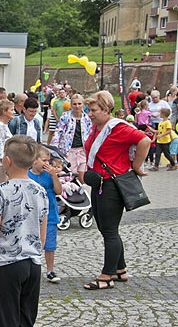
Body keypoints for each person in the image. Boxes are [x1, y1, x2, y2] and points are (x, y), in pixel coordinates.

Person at [0, 135, 48, 327]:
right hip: (32, 264)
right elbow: (42, 235)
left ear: (7, 160)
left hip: (8, 265)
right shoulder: (41, 191)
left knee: (7, 320)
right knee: (26, 320)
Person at [83, 91, 150, 290]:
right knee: (106, 229)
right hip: (100, 183)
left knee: (109, 231)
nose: (90, 114)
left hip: (111, 185)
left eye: (93, 110)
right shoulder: (98, 127)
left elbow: (144, 140)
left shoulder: (117, 128)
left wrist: (137, 166)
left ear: (106, 109)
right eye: (89, 110)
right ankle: (120, 269)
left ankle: (107, 276)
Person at [28, 146, 62, 283]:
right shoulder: (27, 175)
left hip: (51, 214)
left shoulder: (49, 175)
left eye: (48, 160)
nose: (47, 164)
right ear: (34, 160)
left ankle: (50, 270)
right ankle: (31, 269)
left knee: (50, 244)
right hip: (32, 215)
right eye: (44, 160)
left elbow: (59, 191)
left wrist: (54, 176)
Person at [51, 94, 92, 184]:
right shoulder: (66, 116)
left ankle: (82, 192)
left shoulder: (87, 118)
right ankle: (71, 190)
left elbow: (90, 133)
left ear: (83, 104)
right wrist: (54, 147)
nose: (77, 106)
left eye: (79, 104)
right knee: (70, 174)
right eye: (74, 104)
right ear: (71, 105)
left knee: (82, 174)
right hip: (69, 150)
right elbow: (58, 131)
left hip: (83, 150)